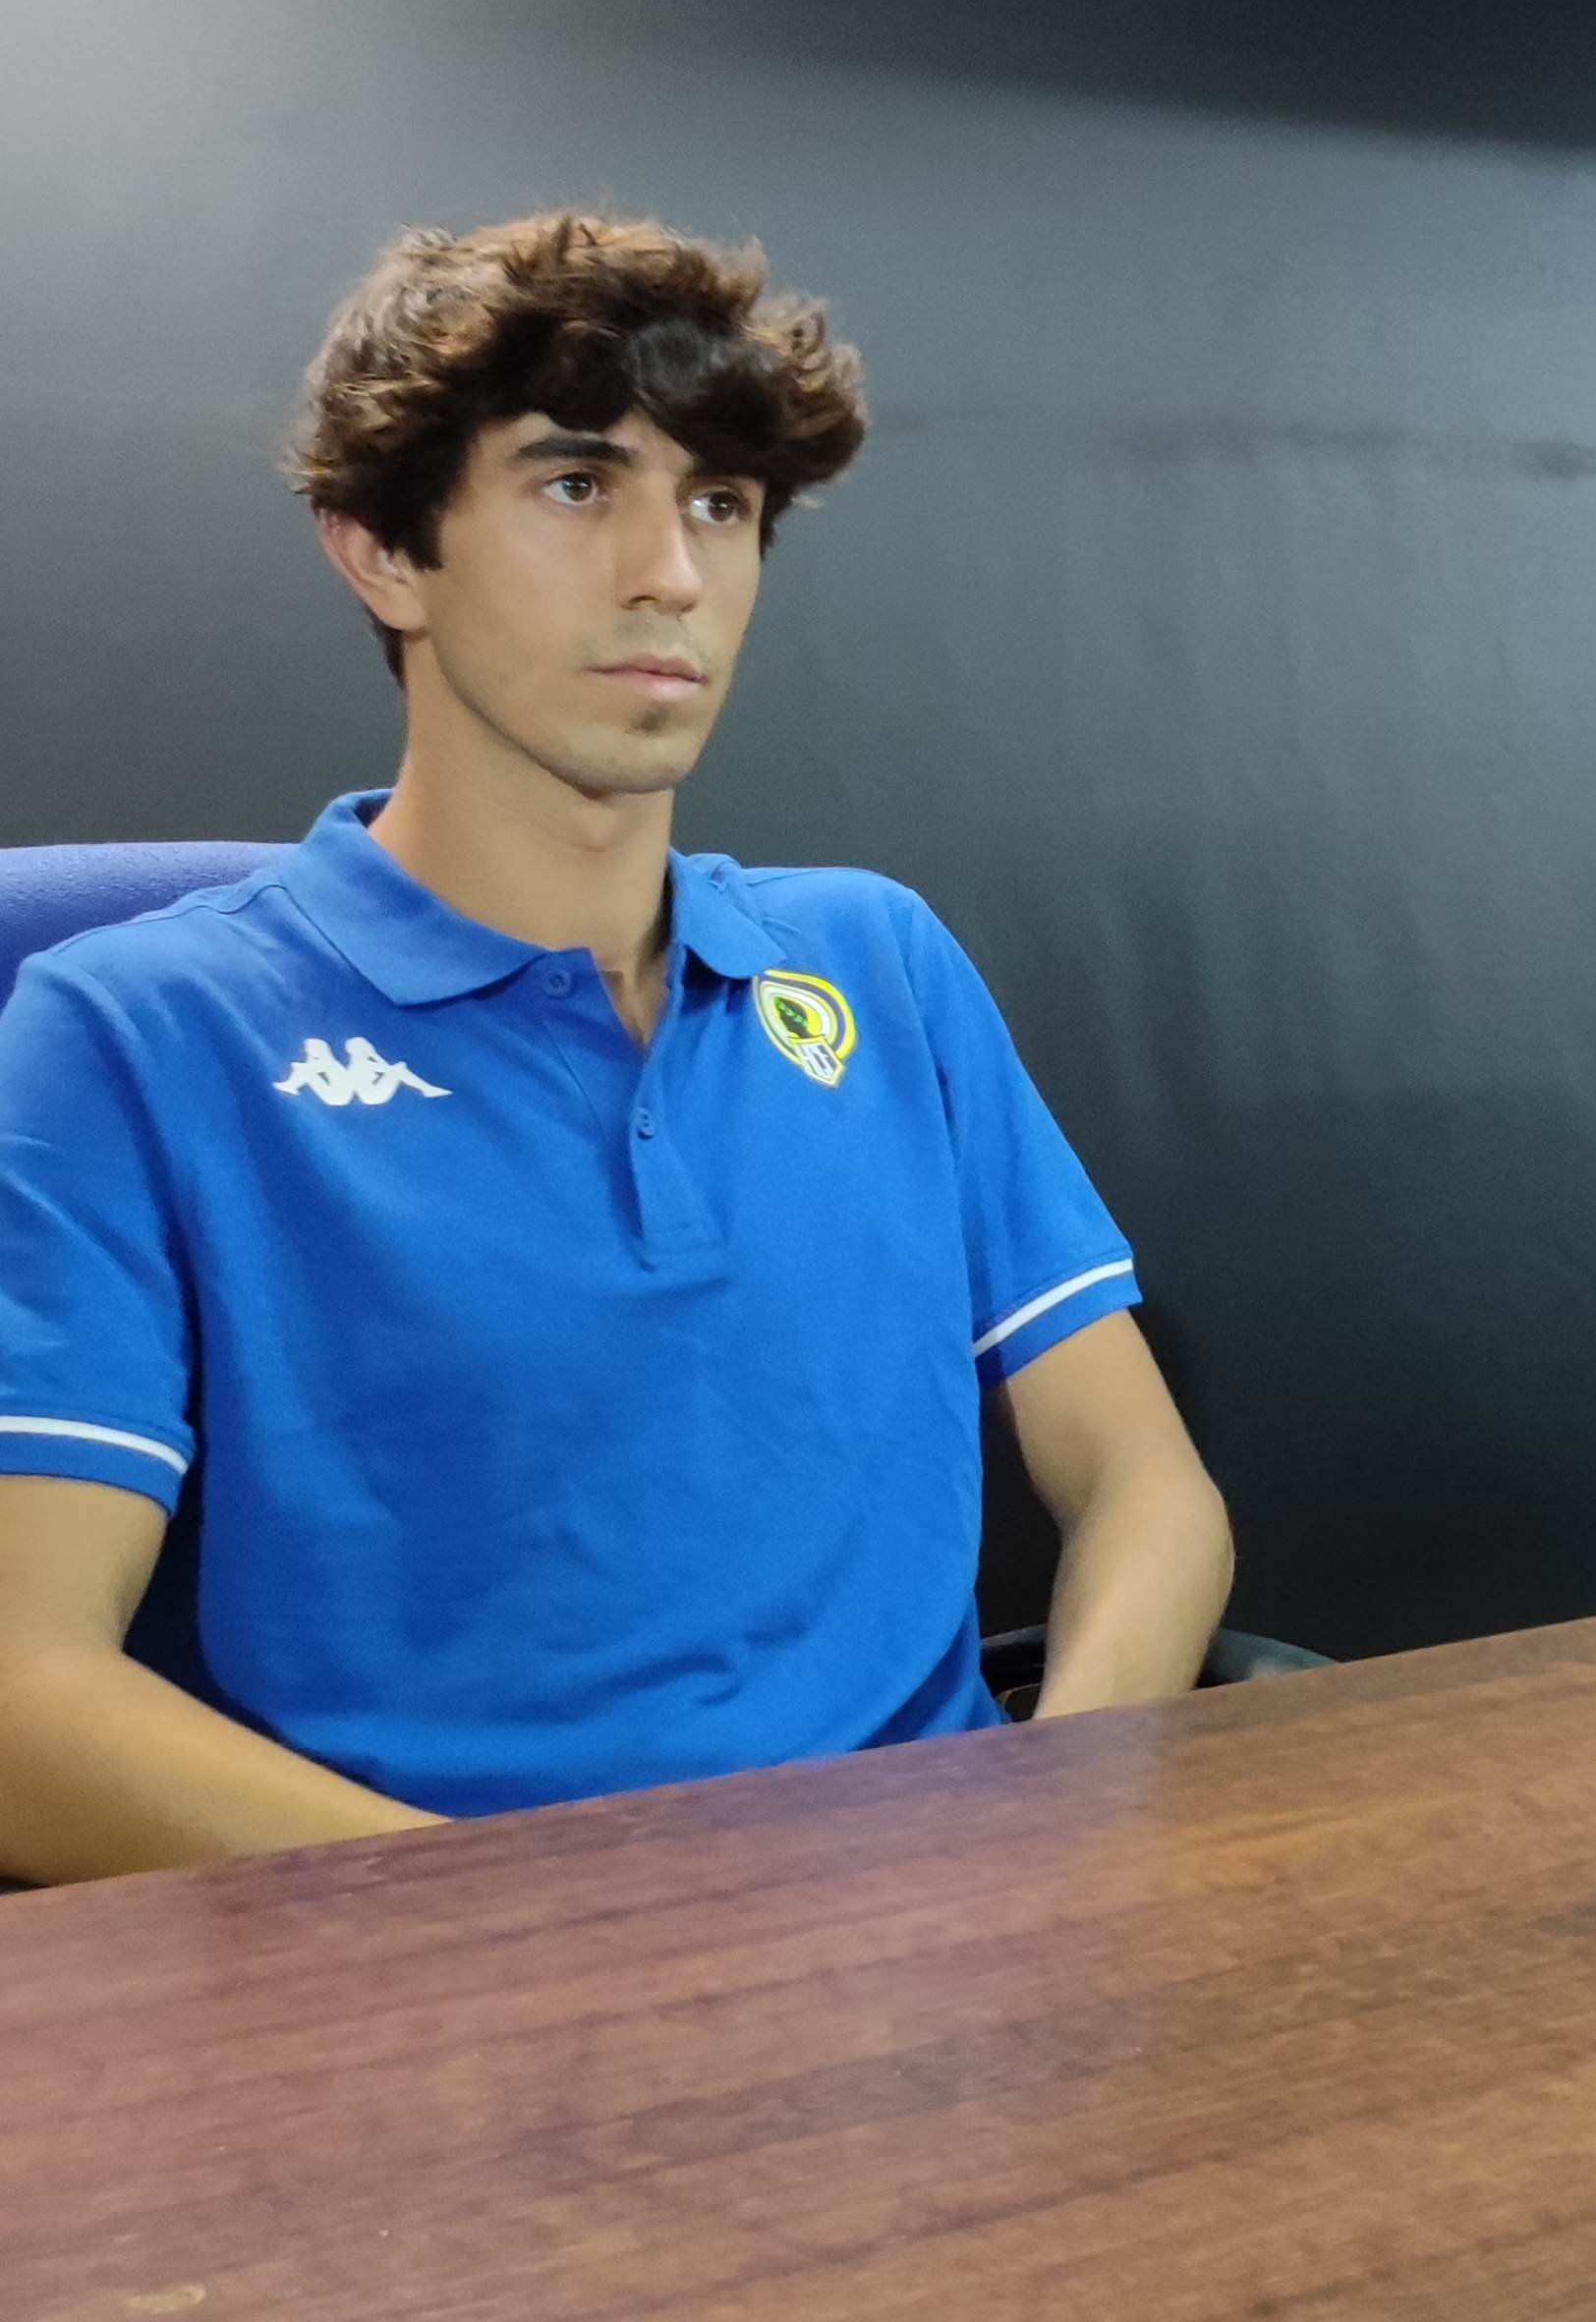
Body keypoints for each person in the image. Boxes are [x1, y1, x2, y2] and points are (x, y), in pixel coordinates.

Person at [0, 213, 1234, 1886]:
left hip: (948, 1960)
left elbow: (1143, 1486)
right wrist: (554, 1953)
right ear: (380, 548)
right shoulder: (132, 1033)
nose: (672, 572)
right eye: (578, 483)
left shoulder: (876, 958)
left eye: (720, 504)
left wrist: (1058, 1809)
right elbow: (25, 1701)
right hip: (441, 2008)